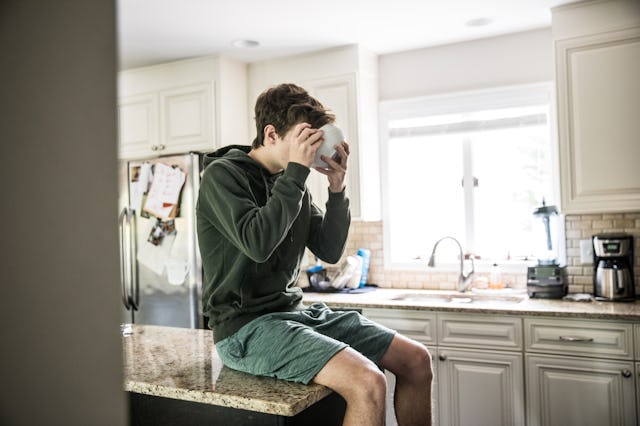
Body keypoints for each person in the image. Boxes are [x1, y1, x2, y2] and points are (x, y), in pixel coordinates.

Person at [196, 83, 432, 426]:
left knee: (416, 360)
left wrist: (337, 188)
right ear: (271, 133)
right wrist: (296, 174)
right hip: (244, 329)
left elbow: (330, 249)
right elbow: (258, 244)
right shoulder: (223, 176)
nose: (311, 147)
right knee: (368, 382)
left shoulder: (292, 185)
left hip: (294, 315)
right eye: (304, 136)